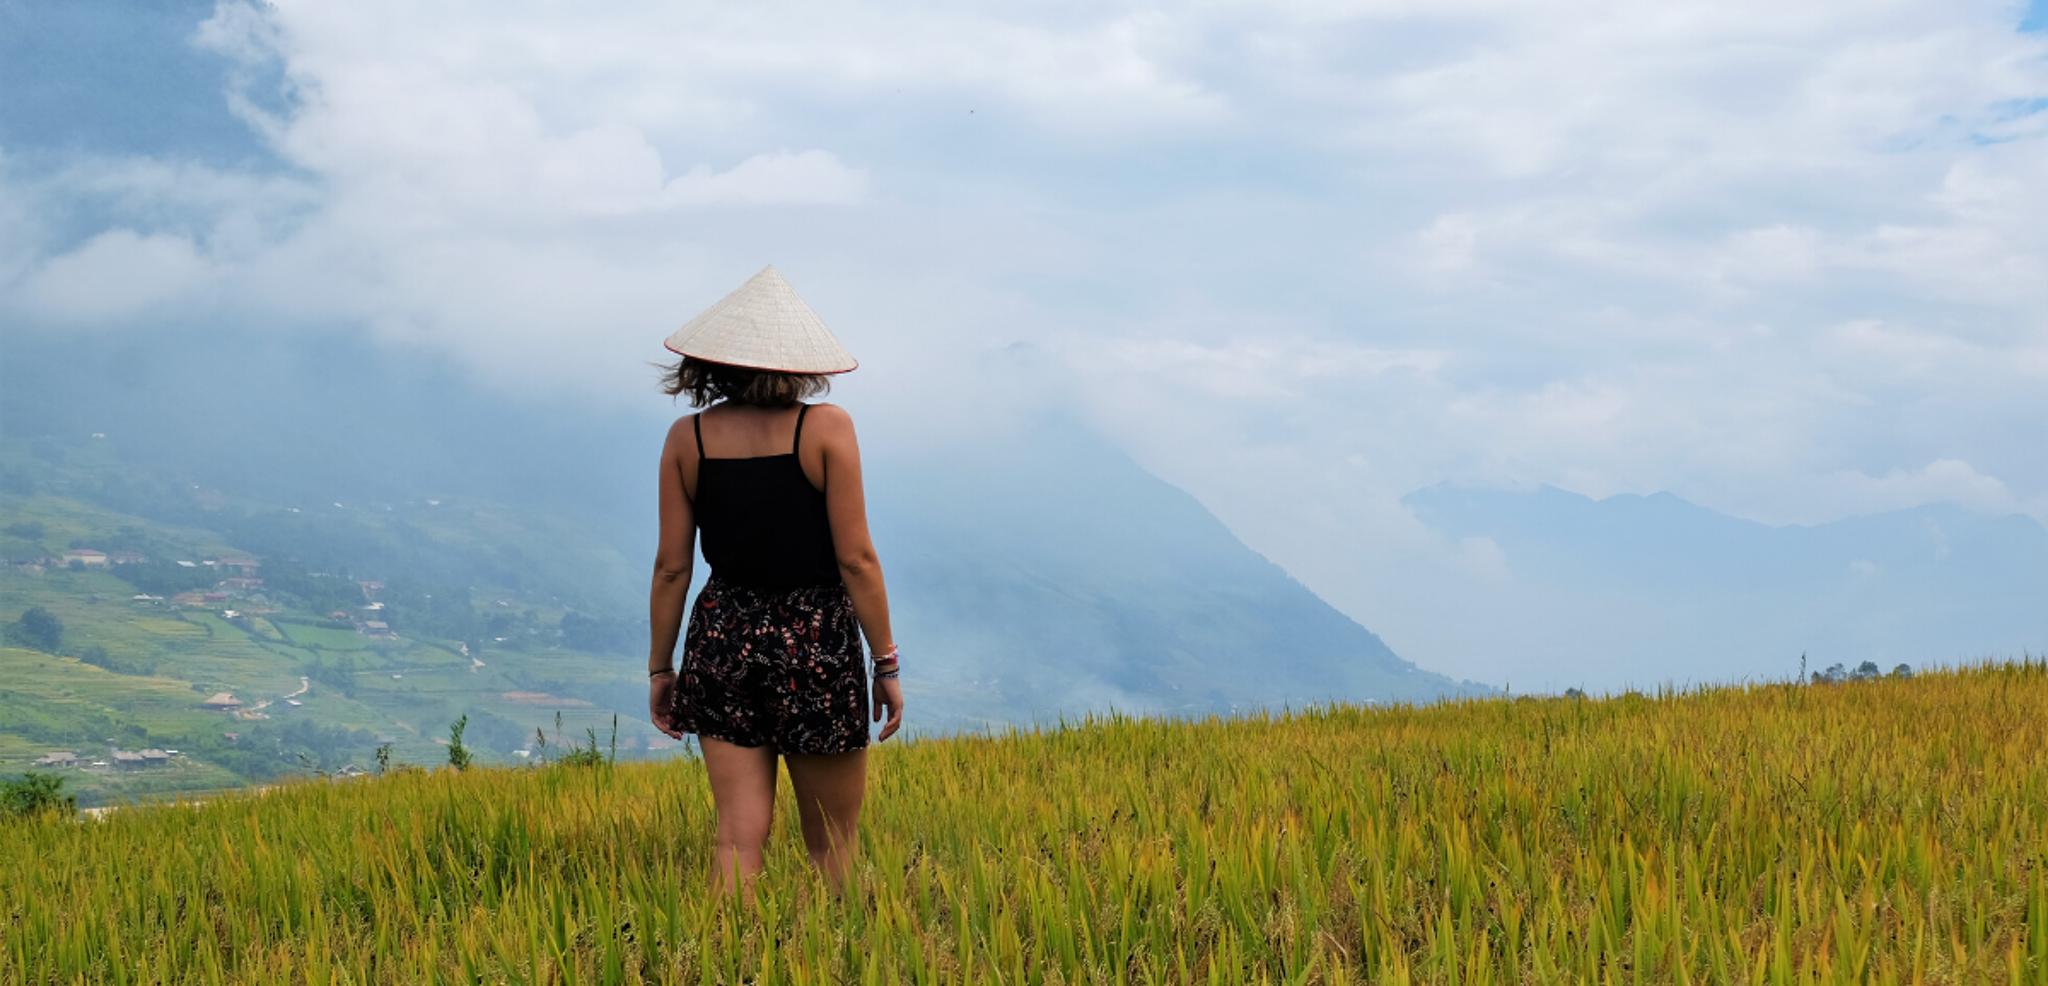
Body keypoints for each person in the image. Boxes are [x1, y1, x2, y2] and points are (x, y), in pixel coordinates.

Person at [646, 266, 904, 898]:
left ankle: (723, 959)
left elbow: (672, 567)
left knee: (736, 837)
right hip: (816, 645)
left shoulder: (689, 438)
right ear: (797, 363)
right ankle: (846, 962)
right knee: (832, 845)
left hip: (723, 640)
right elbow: (858, 561)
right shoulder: (825, 429)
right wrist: (887, 663)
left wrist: (661, 668)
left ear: (715, 363)